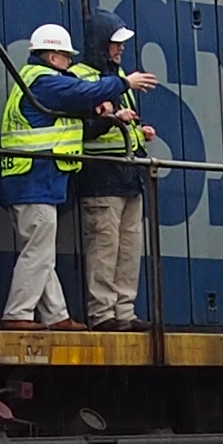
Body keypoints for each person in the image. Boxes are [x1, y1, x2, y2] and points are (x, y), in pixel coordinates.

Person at [0, 21, 123, 325]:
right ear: (52, 57)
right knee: (37, 252)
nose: (71, 63)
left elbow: (66, 112)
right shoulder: (45, 82)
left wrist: (95, 113)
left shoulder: (31, 80)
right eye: (67, 57)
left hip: (31, 180)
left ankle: (56, 315)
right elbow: (80, 91)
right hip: (35, 181)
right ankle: (17, 313)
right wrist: (124, 83)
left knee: (40, 251)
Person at [72, 23, 168, 327]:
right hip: (100, 177)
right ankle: (102, 314)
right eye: (115, 43)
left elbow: (123, 125)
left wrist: (140, 131)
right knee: (104, 249)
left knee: (129, 249)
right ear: (100, 45)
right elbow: (80, 130)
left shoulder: (120, 80)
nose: (121, 48)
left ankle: (125, 313)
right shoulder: (79, 79)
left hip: (129, 176)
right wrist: (112, 120)